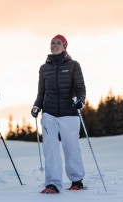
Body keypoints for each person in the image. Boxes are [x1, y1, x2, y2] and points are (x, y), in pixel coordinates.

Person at [31, 34, 86, 194]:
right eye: (52, 43)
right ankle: (53, 184)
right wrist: (37, 106)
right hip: (49, 113)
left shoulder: (74, 65)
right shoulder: (44, 68)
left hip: (69, 112)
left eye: (58, 43)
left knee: (71, 147)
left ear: (64, 46)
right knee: (50, 148)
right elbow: (41, 92)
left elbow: (80, 88)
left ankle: (76, 180)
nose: (54, 45)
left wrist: (80, 101)